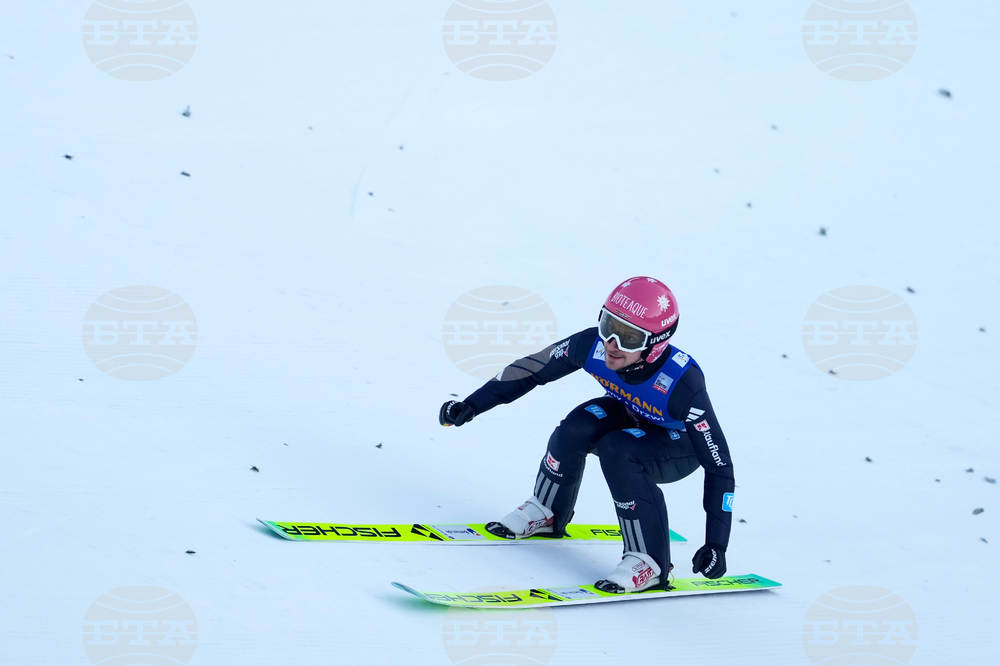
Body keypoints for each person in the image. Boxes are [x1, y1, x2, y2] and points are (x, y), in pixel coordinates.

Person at [439, 277, 734, 593]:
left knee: (618, 449)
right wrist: (472, 404)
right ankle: (547, 511)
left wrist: (716, 543)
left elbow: (720, 467)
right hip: (634, 416)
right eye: (609, 325)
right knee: (579, 424)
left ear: (655, 344)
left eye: (629, 338)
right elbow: (531, 369)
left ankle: (649, 563)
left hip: (679, 447)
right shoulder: (591, 345)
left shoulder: (681, 384)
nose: (612, 344)